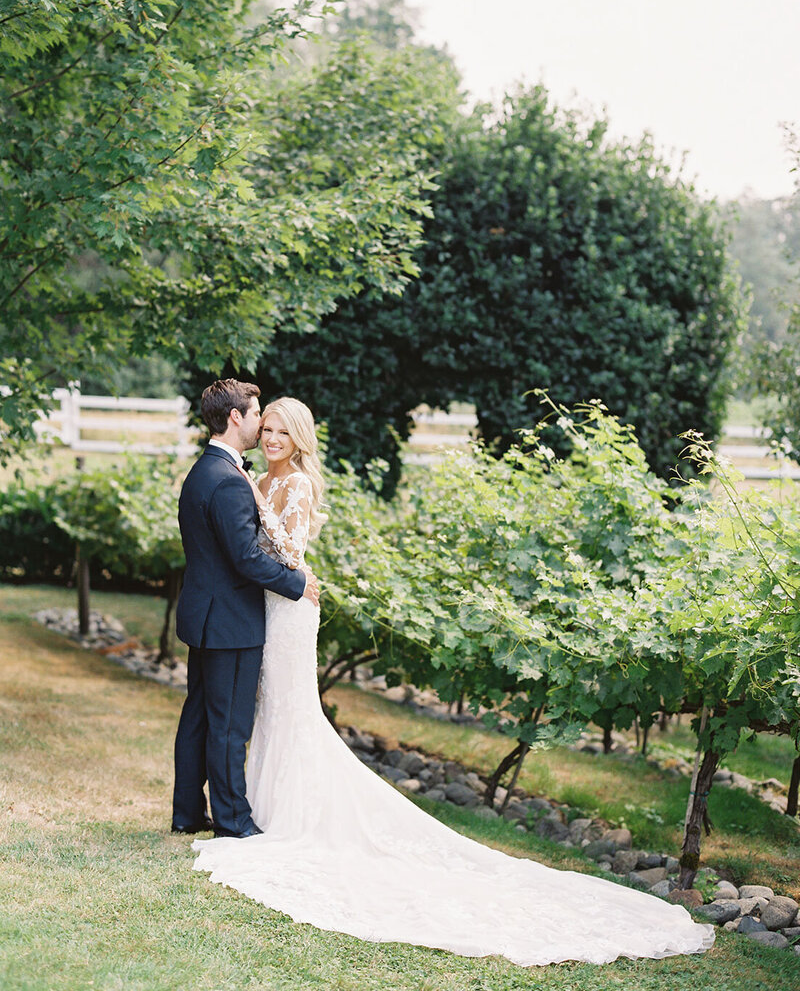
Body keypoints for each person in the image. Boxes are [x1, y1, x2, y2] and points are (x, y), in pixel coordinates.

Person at [190, 397, 715, 966]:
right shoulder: (255, 478)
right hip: (262, 608)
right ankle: (255, 812)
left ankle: (286, 818)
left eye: (280, 431)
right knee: (266, 711)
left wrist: (262, 511)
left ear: (299, 437)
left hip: (288, 606)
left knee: (291, 711)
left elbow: (290, 552)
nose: (270, 438)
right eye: (264, 428)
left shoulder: (290, 486)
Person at [171, 380, 319, 840]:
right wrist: (299, 583)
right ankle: (234, 821)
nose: (261, 427)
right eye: (257, 416)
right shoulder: (230, 481)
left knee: (198, 716)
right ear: (237, 417)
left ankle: (188, 812)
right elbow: (246, 559)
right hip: (232, 621)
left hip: (206, 615)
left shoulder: (204, 470)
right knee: (229, 725)